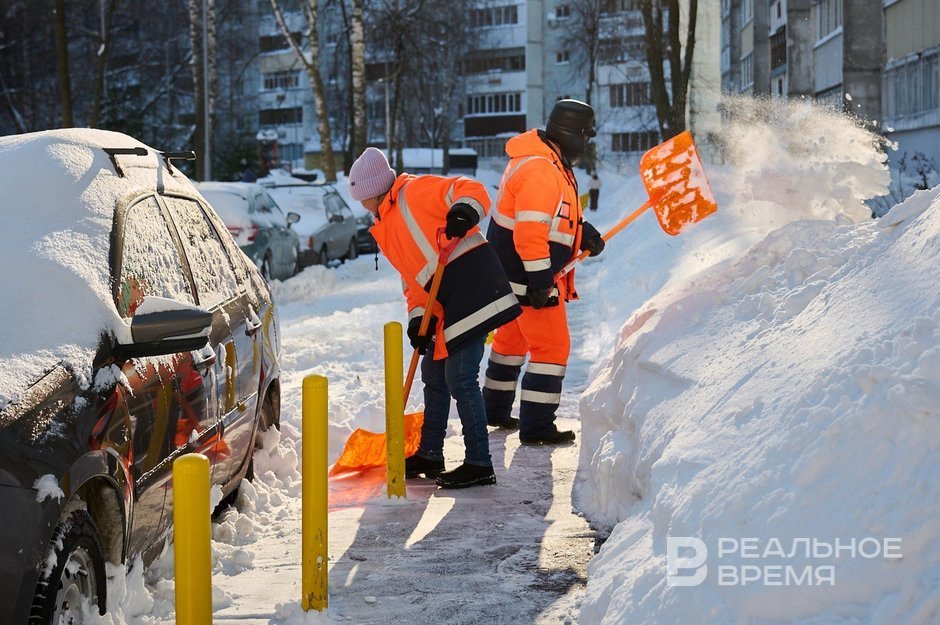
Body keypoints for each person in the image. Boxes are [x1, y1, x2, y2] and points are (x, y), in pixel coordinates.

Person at [348, 147, 522, 488]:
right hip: (446, 301)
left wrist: (463, 212)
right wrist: (418, 319)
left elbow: (470, 188)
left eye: (360, 195)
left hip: (475, 286)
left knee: (460, 375)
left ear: (372, 190)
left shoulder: (414, 190)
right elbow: (412, 280)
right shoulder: (386, 223)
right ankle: (430, 453)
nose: (359, 203)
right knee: (434, 374)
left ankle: (479, 462)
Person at [482, 99, 605, 445]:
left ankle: (493, 408)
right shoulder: (541, 170)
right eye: (586, 136)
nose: (587, 144)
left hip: (509, 276)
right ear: (572, 135)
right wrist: (539, 282)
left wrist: (585, 233)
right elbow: (531, 233)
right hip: (525, 278)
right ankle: (537, 428)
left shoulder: (550, 163)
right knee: (552, 348)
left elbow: (558, 217)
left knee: (511, 341)